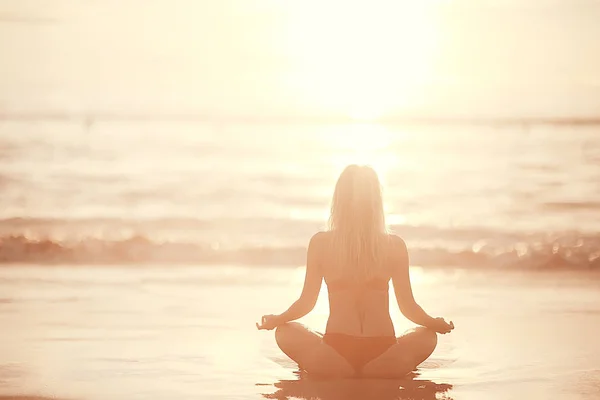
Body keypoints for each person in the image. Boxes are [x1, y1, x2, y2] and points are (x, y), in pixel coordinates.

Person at [256, 164, 454, 378]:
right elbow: (408, 307)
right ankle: (377, 371)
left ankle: (339, 370)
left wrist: (279, 319)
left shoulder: (321, 243)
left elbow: (306, 302)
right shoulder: (394, 245)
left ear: (338, 201)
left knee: (285, 331)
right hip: (383, 350)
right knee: (427, 336)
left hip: (336, 351)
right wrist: (433, 323)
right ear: (376, 202)